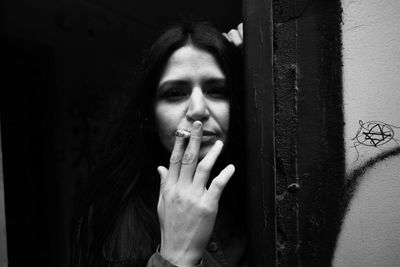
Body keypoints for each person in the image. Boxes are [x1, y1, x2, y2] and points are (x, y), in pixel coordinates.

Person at [71, 21, 245, 267]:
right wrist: (175, 256)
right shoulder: (109, 216)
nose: (198, 110)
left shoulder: (266, 191)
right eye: (175, 93)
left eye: (217, 91)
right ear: (150, 115)